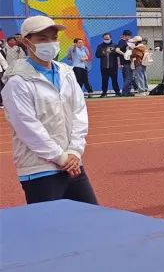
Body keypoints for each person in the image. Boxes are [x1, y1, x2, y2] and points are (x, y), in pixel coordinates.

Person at [1, 15, 97, 205]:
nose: (50, 43)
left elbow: (79, 113)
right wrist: (60, 158)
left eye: (53, 38)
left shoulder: (66, 73)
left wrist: (74, 151)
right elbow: (27, 127)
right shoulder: (17, 82)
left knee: (91, 218)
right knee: (48, 223)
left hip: (73, 164)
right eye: (42, 39)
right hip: (40, 169)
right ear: (26, 42)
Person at [95, 33, 121, 97]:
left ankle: (117, 92)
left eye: (107, 38)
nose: (106, 39)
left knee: (114, 80)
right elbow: (97, 55)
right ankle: (104, 93)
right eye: (105, 38)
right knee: (104, 80)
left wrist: (113, 51)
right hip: (104, 66)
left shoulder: (115, 45)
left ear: (110, 38)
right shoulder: (100, 46)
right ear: (103, 39)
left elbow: (118, 55)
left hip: (113, 66)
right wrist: (104, 53)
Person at [116, 30, 134, 95]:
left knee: (127, 78)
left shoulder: (126, 42)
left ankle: (127, 92)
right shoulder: (122, 42)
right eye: (129, 36)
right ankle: (125, 92)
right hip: (126, 62)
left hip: (127, 62)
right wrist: (124, 54)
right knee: (129, 78)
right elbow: (117, 50)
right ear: (125, 36)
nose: (130, 37)